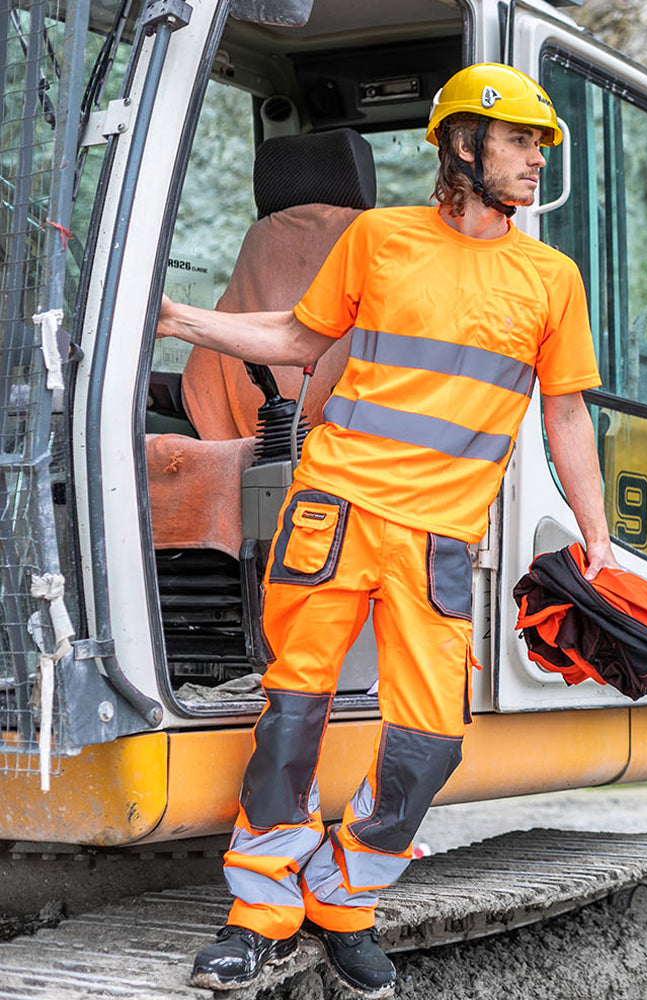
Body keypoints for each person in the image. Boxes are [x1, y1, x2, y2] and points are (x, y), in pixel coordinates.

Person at [157, 62, 619, 998]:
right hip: (334, 512)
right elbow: (295, 339)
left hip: (441, 536)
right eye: (522, 140)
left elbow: (566, 414)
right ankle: (259, 912)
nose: (538, 160)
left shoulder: (550, 277)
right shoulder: (377, 239)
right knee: (292, 715)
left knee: (428, 743)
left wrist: (596, 529)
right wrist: (174, 317)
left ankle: (340, 896)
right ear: (461, 143)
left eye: (541, 145)